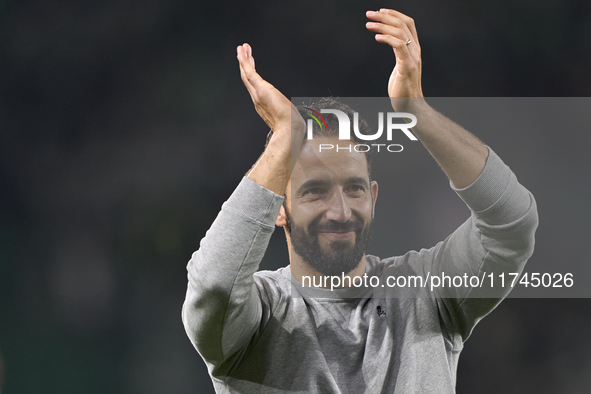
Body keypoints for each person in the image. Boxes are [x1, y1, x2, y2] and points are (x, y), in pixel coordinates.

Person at [182, 8, 538, 394]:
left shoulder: (425, 292)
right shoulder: (257, 315)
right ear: (279, 209)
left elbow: (512, 224)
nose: (340, 211)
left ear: (372, 196)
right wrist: (287, 135)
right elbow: (212, 288)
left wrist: (416, 112)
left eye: (353, 188)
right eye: (315, 191)